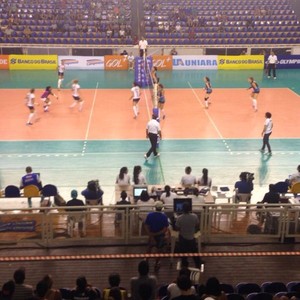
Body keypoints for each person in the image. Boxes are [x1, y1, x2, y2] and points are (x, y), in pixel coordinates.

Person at [175, 202, 202, 269]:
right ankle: (197, 264)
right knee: (194, 252)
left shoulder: (179, 218)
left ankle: (184, 264)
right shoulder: (194, 216)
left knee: (183, 252)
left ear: (182, 209)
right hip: (192, 237)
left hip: (183, 238)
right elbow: (197, 226)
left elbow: (177, 228)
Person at [144, 201, 169, 271]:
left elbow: (146, 225)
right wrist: (158, 234)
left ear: (155, 207)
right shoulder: (164, 216)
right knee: (159, 250)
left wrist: (150, 234)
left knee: (149, 249)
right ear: (161, 208)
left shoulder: (150, 215)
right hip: (160, 236)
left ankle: (146, 262)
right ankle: (156, 263)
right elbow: (165, 229)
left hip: (151, 234)